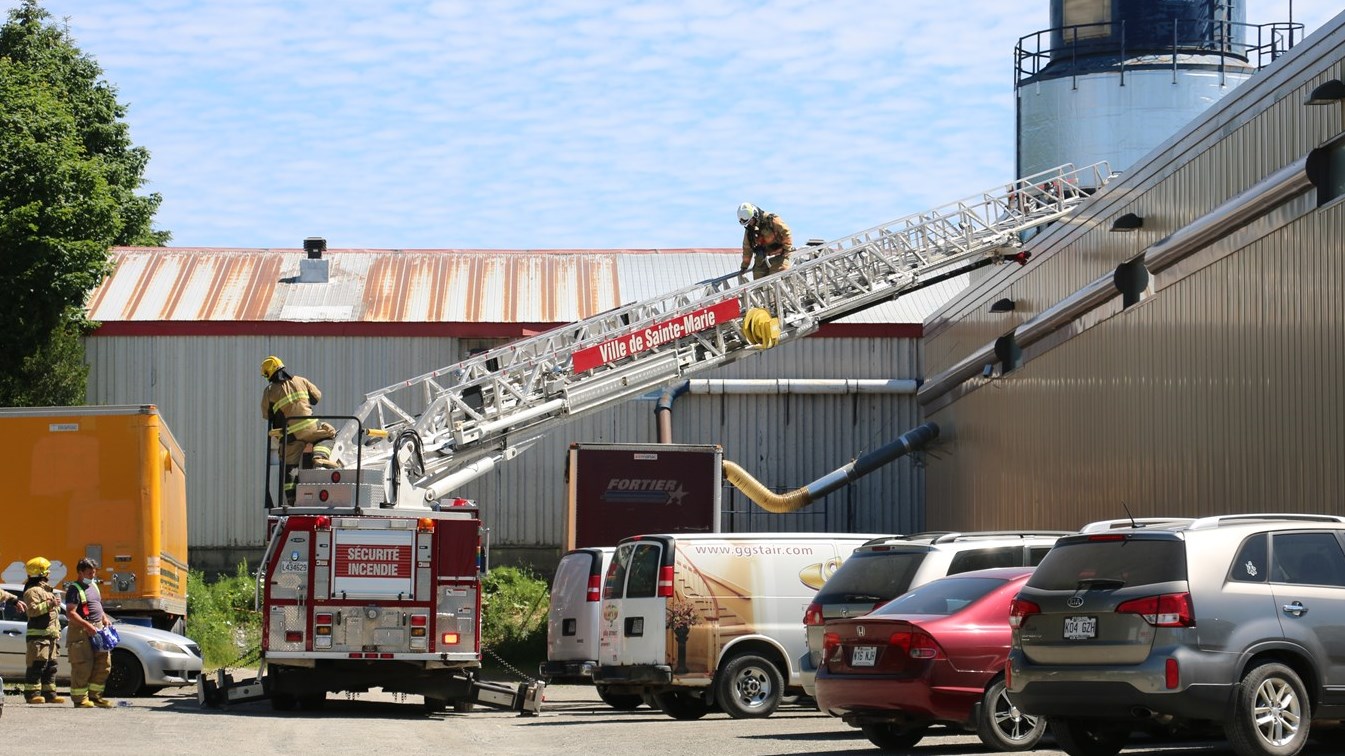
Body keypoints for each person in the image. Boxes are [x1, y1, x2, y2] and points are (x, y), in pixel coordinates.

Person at [261, 356, 340, 503]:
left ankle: (291, 501)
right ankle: (320, 457)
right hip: (310, 428)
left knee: (289, 468)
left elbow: (267, 415)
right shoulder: (301, 380)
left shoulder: (269, 391)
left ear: (269, 373)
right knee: (329, 436)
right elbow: (317, 397)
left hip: (289, 435)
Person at [66, 557, 114, 708]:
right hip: (81, 631)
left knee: (103, 663)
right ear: (80, 572)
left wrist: (104, 618)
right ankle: (80, 700)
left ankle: (95, 696)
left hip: (97, 629)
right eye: (89, 573)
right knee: (82, 665)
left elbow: (97, 605)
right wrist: (87, 625)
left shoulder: (93, 586)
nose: (92, 576)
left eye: (93, 573)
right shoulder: (74, 589)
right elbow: (71, 613)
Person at [20, 557, 65, 704]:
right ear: (41, 572)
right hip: (38, 638)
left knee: (51, 667)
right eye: (47, 570)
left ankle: (50, 695)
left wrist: (56, 632)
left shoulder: (46, 590)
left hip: (50, 637)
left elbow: (54, 615)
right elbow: (32, 611)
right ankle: (32, 695)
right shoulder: (32, 591)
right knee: (36, 666)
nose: (50, 572)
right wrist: (51, 603)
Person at [737, 202, 794, 280]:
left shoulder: (771, 220)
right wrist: (744, 266)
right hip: (762, 258)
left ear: (755, 215)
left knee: (775, 279)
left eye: (750, 221)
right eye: (748, 223)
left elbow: (786, 232)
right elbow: (747, 248)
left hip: (780, 255)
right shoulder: (750, 230)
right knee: (758, 282)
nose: (750, 224)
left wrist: (786, 249)